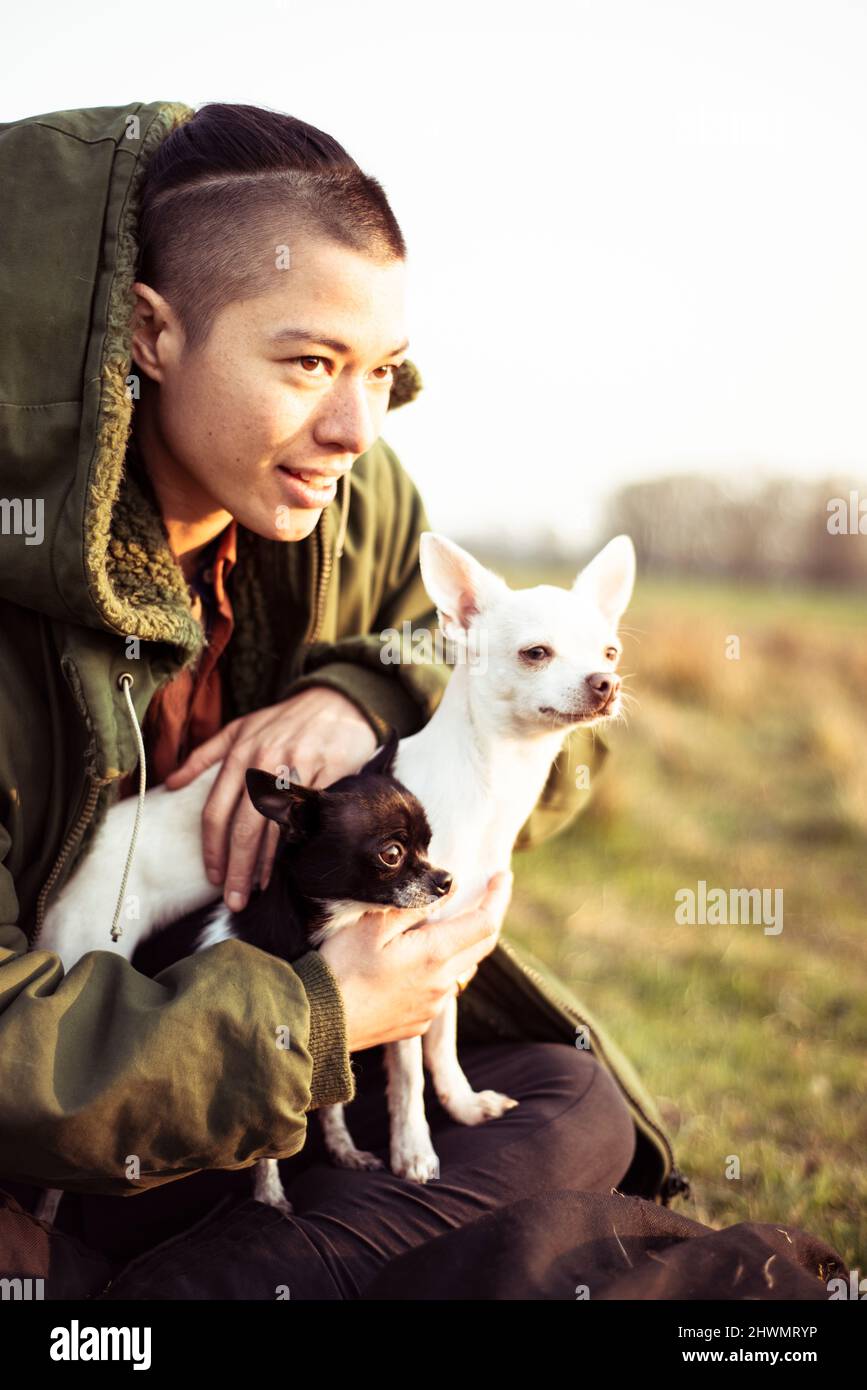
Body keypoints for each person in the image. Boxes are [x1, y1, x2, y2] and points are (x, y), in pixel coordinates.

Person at [0, 101, 842, 1302]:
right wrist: (314, 1020)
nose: (355, 426)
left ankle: (208, 1287)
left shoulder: (353, 494)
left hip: (265, 1116)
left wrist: (367, 692)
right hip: (75, 1104)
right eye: (307, 363)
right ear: (150, 332)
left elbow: (515, 709)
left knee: (571, 1095)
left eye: (382, 371)